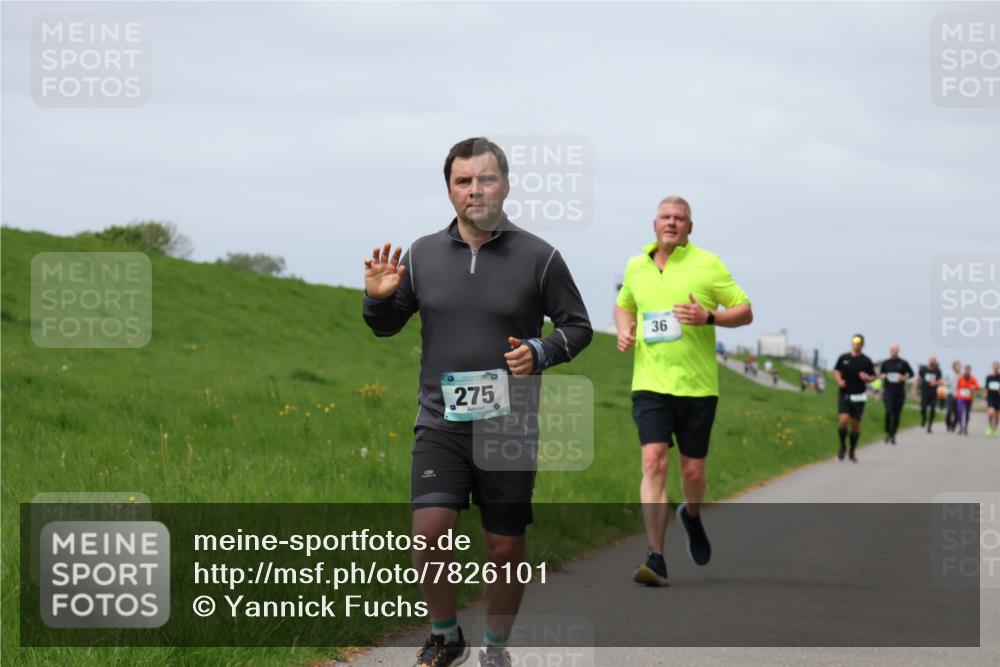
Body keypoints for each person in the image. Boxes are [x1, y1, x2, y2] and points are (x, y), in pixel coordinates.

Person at [362, 137, 593, 667]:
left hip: (509, 427)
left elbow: (578, 327)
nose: (475, 190)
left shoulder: (540, 257)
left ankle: (495, 648)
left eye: (485, 179)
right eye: (463, 181)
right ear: (449, 190)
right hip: (440, 421)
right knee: (429, 533)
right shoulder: (422, 254)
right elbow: (386, 326)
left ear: (505, 186)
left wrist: (540, 351)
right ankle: (445, 637)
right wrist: (377, 299)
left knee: (504, 548)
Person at [615, 195, 752, 587]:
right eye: (665, 216)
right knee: (654, 462)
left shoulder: (708, 264)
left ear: (690, 227)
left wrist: (709, 317)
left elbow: (745, 311)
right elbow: (624, 304)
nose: (672, 222)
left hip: (697, 386)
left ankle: (691, 515)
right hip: (650, 384)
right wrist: (624, 329)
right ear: (654, 224)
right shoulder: (636, 266)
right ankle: (656, 557)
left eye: (679, 218)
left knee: (693, 470)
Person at [833, 334, 876, 463]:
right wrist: (839, 380)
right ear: (852, 343)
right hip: (845, 394)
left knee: (855, 425)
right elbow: (836, 370)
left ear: (862, 345)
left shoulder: (866, 361)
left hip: (859, 396)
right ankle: (842, 446)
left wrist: (867, 378)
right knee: (843, 420)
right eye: (854, 342)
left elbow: (874, 376)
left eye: (858, 343)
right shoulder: (844, 358)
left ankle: (852, 451)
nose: (856, 344)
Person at [878, 343, 914, 444]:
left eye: (895, 350)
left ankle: (893, 434)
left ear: (898, 351)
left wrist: (904, 377)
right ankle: (887, 432)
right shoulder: (886, 363)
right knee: (889, 412)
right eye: (892, 350)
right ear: (890, 351)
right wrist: (882, 376)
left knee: (897, 414)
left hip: (899, 392)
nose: (893, 351)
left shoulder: (903, 363)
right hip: (888, 392)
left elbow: (911, 374)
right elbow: (881, 374)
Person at [916, 356, 943, 433]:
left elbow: (940, 381)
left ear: (935, 361)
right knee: (923, 408)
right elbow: (918, 378)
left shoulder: (938, 371)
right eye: (931, 360)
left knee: (932, 410)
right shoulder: (923, 369)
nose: (932, 361)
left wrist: (935, 382)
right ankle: (924, 419)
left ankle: (930, 426)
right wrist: (916, 388)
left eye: (934, 360)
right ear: (928, 360)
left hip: (933, 393)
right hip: (924, 392)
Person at [954, 365, 981, 436]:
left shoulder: (973, 378)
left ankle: (965, 427)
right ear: (964, 370)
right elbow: (957, 387)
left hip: (969, 398)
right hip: (961, 398)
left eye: (968, 370)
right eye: (966, 370)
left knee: (967, 414)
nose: (967, 371)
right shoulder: (961, 378)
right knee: (960, 411)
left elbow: (978, 387)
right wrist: (957, 394)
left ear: (970, 371)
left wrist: (973, 387)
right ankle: (960, 427)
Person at [944, 360, 962, 432]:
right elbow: (944, 381)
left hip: (959, 395)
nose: (959, 367)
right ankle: (948, 424)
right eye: (958, 366)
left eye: (960, 366)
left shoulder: (961, 375)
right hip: (950, 394)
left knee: (957, 412)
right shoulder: (949, 373)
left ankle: (953, 426)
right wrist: (946, 383)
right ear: (954, 366)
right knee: (949, 410)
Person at [985, 361, 1000, 437]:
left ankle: (995, 429)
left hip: (998, 399)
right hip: (990, 398)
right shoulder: (989, 377)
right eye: (994, 367)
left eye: (997, 367)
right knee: (991, 413)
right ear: (992, 368)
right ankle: (990, 427)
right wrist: (986, 396)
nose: (996, 369)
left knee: (997, 415)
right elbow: (986, 388)